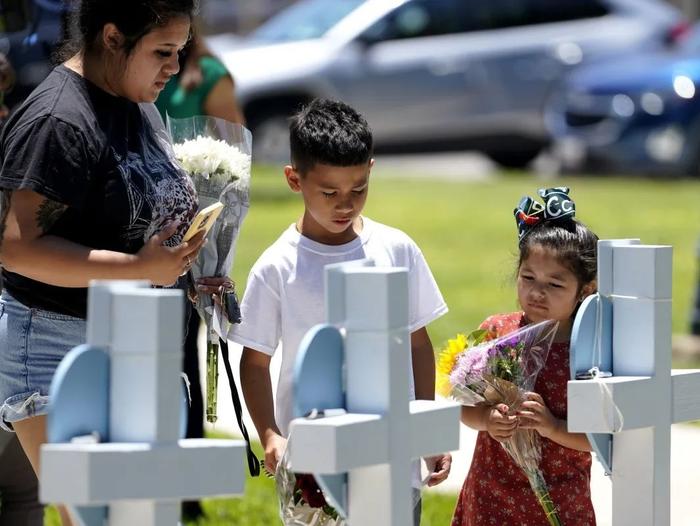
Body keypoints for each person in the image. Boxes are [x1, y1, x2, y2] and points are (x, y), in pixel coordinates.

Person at [0, 2, 215, 524]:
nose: (176, 68)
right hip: (56, 351)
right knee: (105, 518)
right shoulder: (59, 118)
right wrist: (141, 269)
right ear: (113, 37)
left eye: (181, 51)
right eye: (162, 52)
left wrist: (187, 266)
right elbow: (17, 245)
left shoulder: (127, 98)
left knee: (138, 514)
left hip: (128, 341)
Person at [230, 98, 452, 525]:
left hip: (393, 452)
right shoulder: (278, 266)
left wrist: (424, 427)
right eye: (329, 192)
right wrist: (270, 434)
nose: (345, 204)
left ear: (371, 169)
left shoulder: (397, 250)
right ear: (294, 179)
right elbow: (254, 363)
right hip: (315, 464)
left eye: (358, 190)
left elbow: (418, 344)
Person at [451, 187, 598, 526]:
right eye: (528, 277)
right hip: (492, 493)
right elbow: (463, 407)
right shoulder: (496, 334)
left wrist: (553, 427)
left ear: (585, 289)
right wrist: (487, 420)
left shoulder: (590, 350)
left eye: (554, 284)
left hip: (561, 499)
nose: (536, 292)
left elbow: (603, 438)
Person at [155, 26, 245, 522]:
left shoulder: (207, 75)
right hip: (139, 240)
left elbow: (235, 161)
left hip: (190, 242)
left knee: (184, 360)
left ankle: (186, 487)